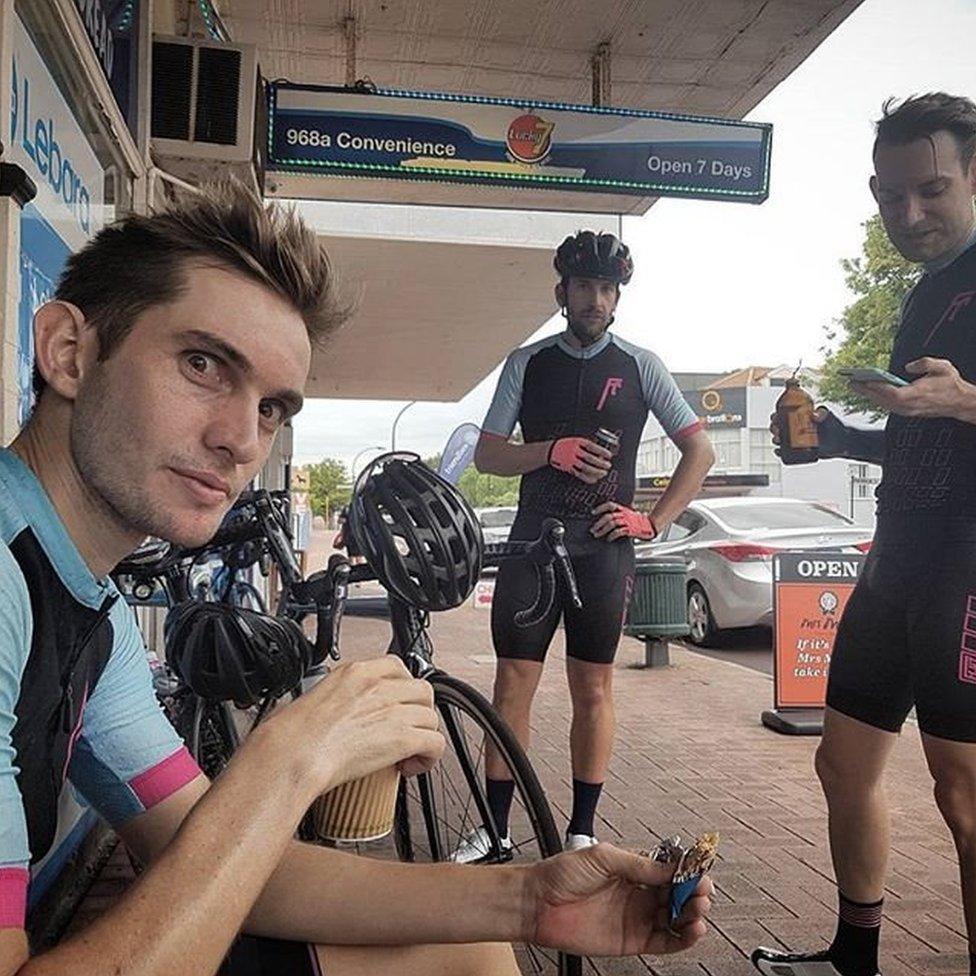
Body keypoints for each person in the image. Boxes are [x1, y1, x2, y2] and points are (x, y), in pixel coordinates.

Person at [0, 183, 714, 976]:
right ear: (69, 352)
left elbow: (215, 855)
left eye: (272, 409)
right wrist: (289, 760)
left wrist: (528, 899)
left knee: (475, 953)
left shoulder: (88, 605)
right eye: (202, 365)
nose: (241, 440)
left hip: (593, 552)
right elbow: (226, 849)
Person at [753, 92, 976, 976]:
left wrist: (964, 399)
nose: (908, 215)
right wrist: (847, 438)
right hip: (894, 567)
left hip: (968, 568)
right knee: (843, 766)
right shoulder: (925, 294)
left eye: (931, 190)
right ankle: (854, 956)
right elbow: (928, 440)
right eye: (889, 197)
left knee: (963, 795)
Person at [465, 230, 714, 859]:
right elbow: (488, 453)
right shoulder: (528, 362)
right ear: (563, 292)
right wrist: (551, 450)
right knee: (512, 686)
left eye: (607, 288)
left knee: (593, 688)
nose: (596, 299)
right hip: (533, 543)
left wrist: (651, 520)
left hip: (604, 546)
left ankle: (581, 832)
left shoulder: (640, 365)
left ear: (616, 297)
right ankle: (494, 831)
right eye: (585, 287)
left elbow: (700, 450)